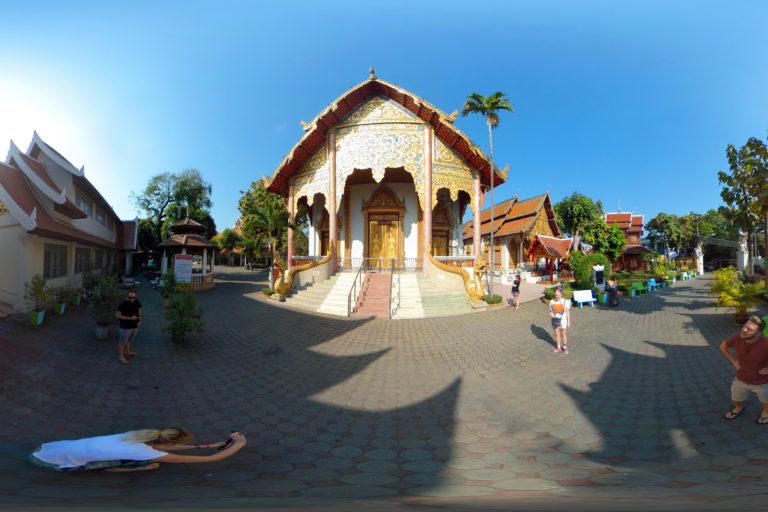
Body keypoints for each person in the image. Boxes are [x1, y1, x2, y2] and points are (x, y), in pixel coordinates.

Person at [30, 428, 247, 472]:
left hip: (51, 448)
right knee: (153, 465)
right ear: (166, 444)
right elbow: (211, 460)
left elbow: (166, 447)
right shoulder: (147, 452)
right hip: (53, 462)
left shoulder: (142, 435)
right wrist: (238, 445)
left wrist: (204, 446)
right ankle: (117, 469)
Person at [720, 316, 768, 424]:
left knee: (766, 402)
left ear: (758, 334)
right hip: (741, 378)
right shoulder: (736, 338)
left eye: (749, 329)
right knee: (736, 400)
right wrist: (734, 361)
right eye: (745, 326)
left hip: (763, 382)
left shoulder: (766, 343)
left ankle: (766, 412)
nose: (744, 330)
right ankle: (739, 408)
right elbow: (723, 347)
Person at [116, 290, 142, 365]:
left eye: (133, 297)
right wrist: (130, 318)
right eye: (130, 297)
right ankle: (121, 356)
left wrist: (139, 319)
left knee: (129, 340)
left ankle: (127, 351)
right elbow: (117, 315)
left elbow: (139, 309)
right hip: (125, 327)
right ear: (127, 296)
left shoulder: (137, 302)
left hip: (134, 326)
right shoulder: (123, 304)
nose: (131, 299)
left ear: (135, 296)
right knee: (122, 342)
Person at [549, 288, 571, 354]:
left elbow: (567, 312)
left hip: (563, 320)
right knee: (557, 333)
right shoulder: (552, 301)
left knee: (563, 334)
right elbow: (550, 311)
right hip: (555, 320)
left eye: (558, 295)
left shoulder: (565, 301)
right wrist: (552, 315)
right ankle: (558, 346)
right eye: (556, 295)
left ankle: (564, 347)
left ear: (561, 295)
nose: (557, 296)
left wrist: (568, 322)